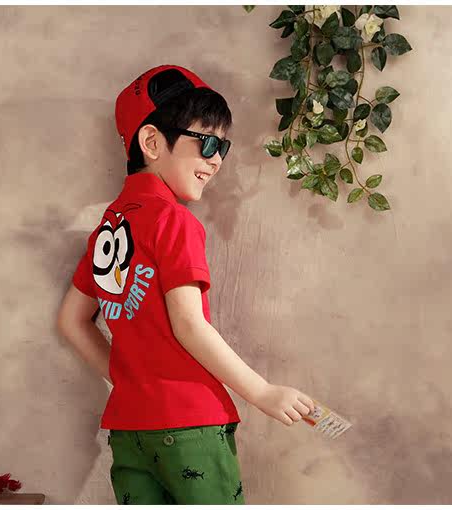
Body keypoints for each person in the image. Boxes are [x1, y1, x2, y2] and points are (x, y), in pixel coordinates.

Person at [56, 64, 315, 505]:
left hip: (129, 429)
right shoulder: (172, 221)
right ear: (152, 142)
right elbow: (189, 325)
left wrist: (128, 380)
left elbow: (71, 321)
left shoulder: (107, 231)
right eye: (206, 142)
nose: (216, 160)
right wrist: (262, 392)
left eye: (223, 147)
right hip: (191, 425)